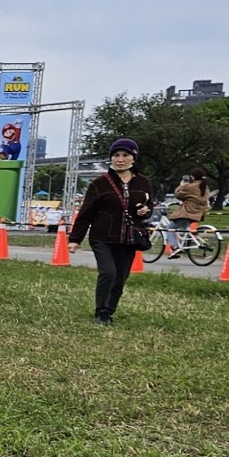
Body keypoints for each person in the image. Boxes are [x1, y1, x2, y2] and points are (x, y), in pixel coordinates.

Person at [69, 139, 155, 324]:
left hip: (128, 239)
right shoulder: (99, 184)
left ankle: (109, 311)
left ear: (134, 158)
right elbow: (85, 213)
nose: (120, 159)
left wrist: (146, 210)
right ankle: (100, 311)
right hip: (102, 238)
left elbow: (149, 206)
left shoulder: (144, 182)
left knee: (120, 278)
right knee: (108, 273)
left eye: (125, 155)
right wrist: (75, 239)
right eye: (116, 155)